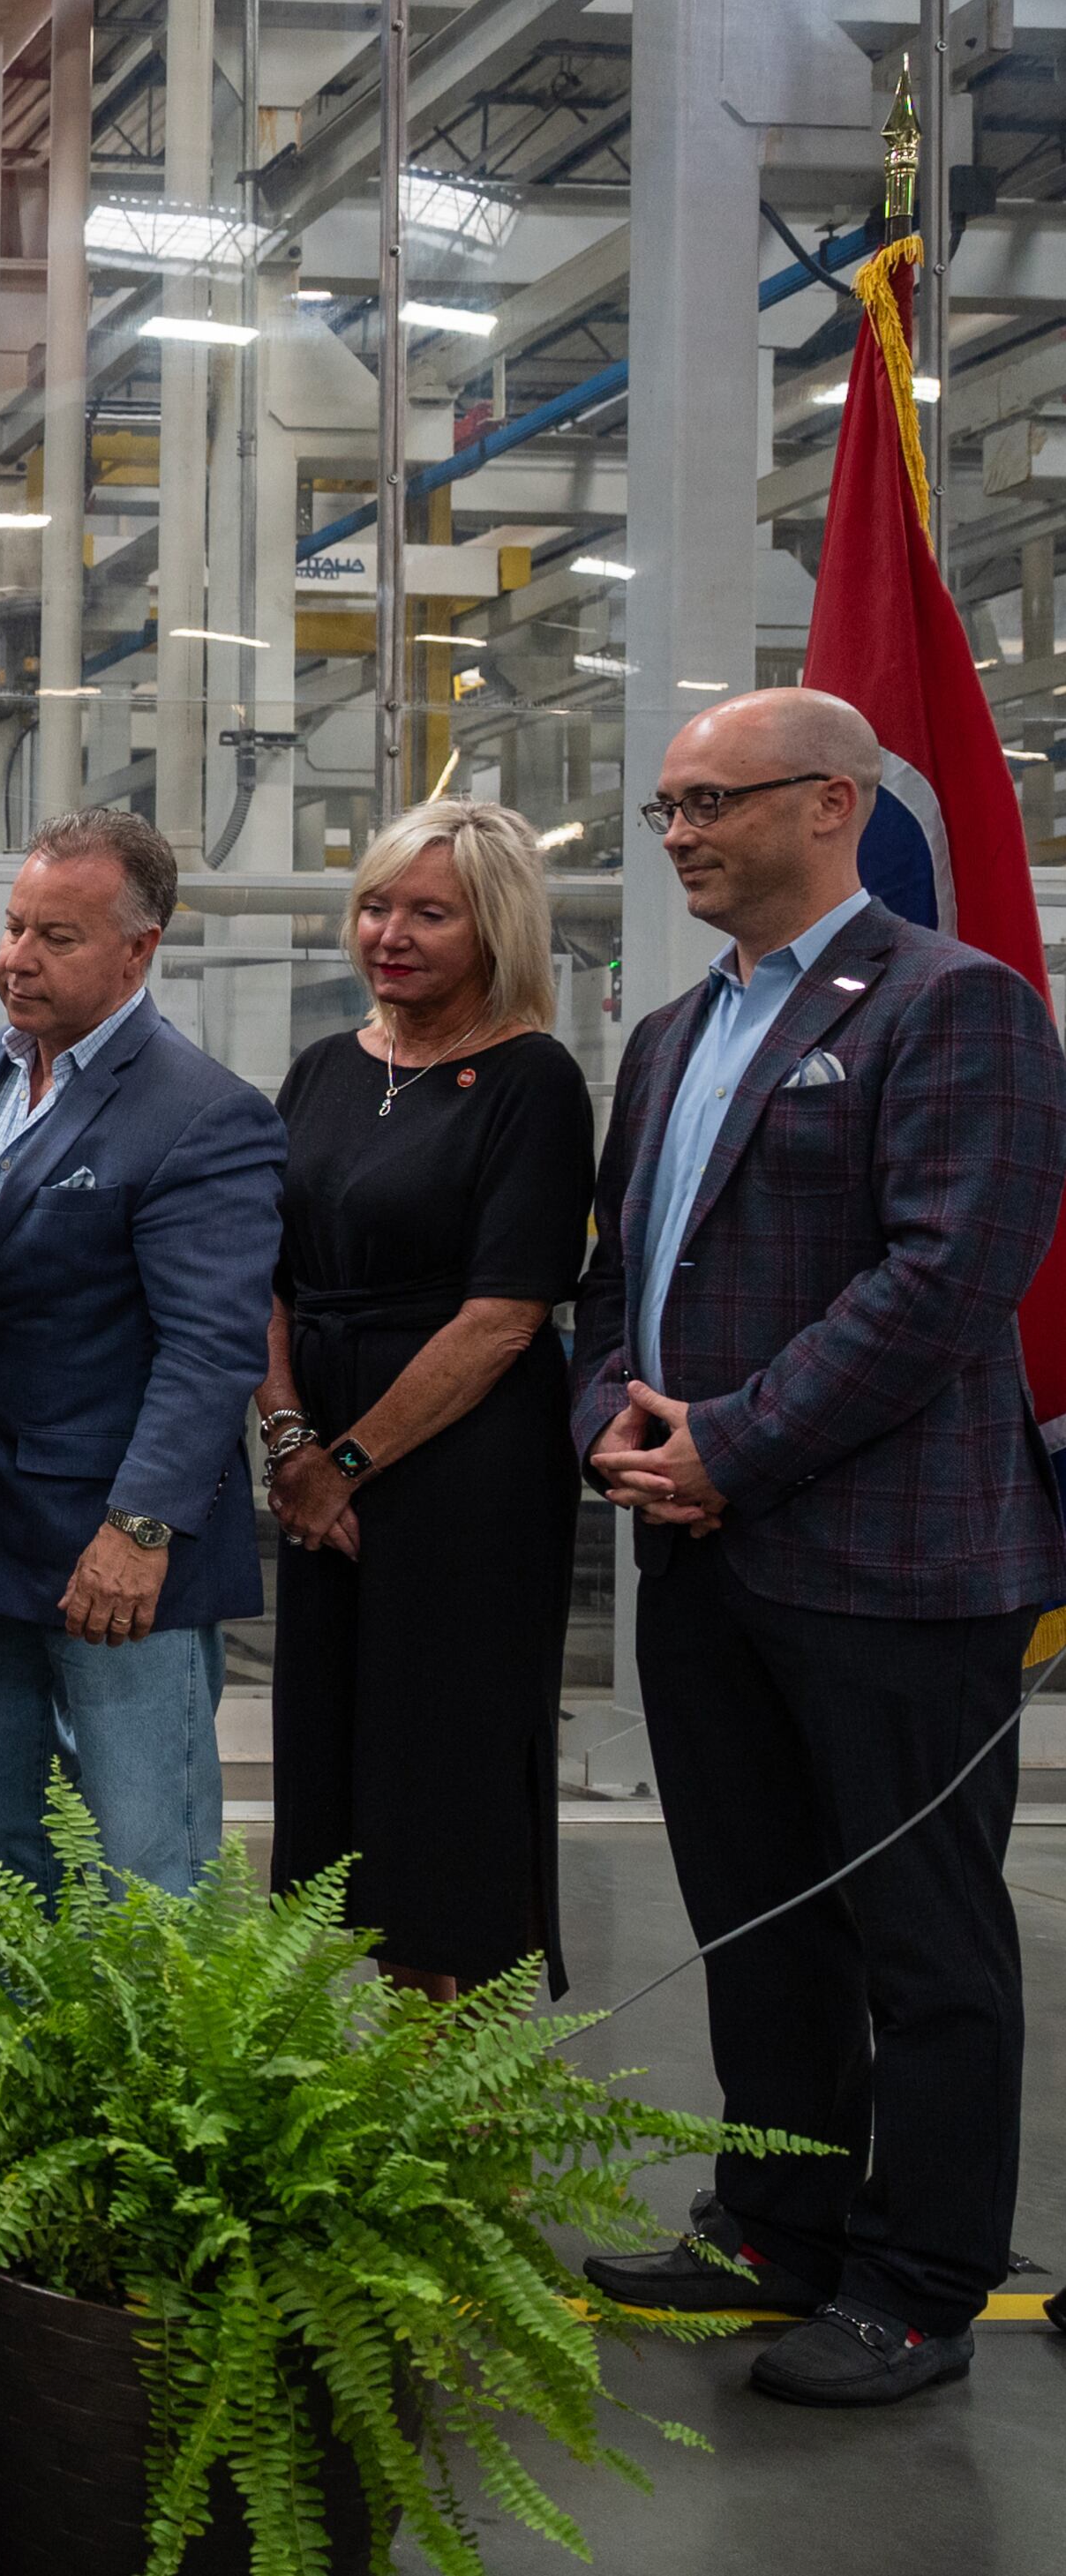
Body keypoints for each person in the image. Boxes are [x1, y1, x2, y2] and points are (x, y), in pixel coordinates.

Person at [568, 688, 1066, 2409]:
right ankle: (771, 2225)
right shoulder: (669, 1035)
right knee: (757, 1919)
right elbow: (612, 1284)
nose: (684, 831)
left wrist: (734, 1442)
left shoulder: (957, 1007)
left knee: (921, 1942)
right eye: (669, 809)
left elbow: (944, 1280)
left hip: (892, 1571)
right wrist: (612, 1434)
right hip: (702, 1561)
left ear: (833, 803)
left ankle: (920, 2277)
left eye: (713, 800)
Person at [250, 802, 592, 2002]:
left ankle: (459, 2108)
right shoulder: (321, 1069)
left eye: (426, 912)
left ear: (492, 926)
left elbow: (504, 1314)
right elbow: (265, 1275)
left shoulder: (530, 1081)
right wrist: (292, 1441)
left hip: (461, 1471)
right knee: (340, 1768)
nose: (386, 934)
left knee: (445, 1774)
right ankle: (389, 2066)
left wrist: (342, 1464)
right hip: (317, 1457)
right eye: (373, 906)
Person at [0, 809, 283, 1898]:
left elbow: (209, 1350)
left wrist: (137, 1531)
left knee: (144, 1857)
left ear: (140, 949)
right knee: (3, 1827)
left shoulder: (200, 1117)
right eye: (12, 927)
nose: (14, 960)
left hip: (115, 1554)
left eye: (56, 938)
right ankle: (33, 2062)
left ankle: (156, 2075)